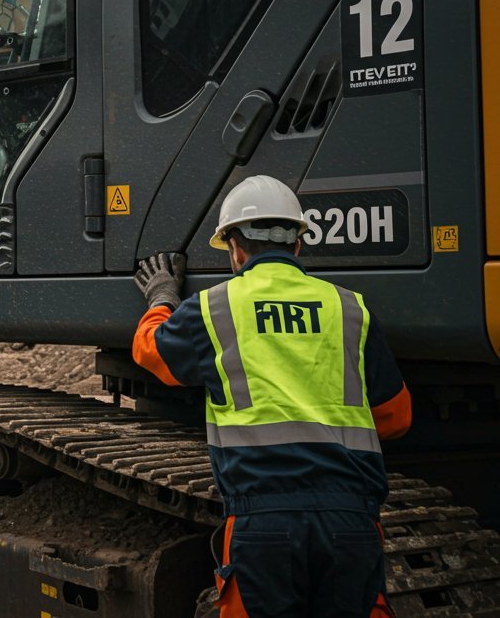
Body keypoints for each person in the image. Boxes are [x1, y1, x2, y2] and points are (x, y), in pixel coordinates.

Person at [131, 175, 412, 618]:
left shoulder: (214, 307)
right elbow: (395, 418)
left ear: (235, 249)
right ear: (298, 244)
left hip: (264, 522)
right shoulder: (349, 308)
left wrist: (162, 297)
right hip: (350, 520)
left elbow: (151, 352)